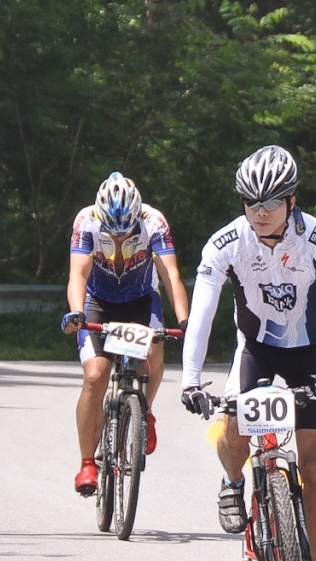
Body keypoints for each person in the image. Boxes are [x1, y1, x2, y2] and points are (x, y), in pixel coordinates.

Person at [180, 145, 316, 561]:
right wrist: (191, 380)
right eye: (251, 202)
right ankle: (232, 481)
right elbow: (202, 311)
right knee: (234, 429)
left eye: (271, 202)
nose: (260, 212)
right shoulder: (226, 243)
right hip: (256, 350)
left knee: (313, 464)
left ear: (292, 200)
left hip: (311, 354)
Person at [61, 172, 190, 496]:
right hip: (98, 302)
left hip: (140, 300)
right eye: (112, 235)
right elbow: (78, 274)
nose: (119, 240)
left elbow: (171, 275)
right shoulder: (86, 221)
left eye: (126, 234)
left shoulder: (154, 222)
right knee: (95, 376)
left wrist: (185, 320)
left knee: (152, 352)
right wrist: (77, 312)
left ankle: (144, 412)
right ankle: (87, 463)